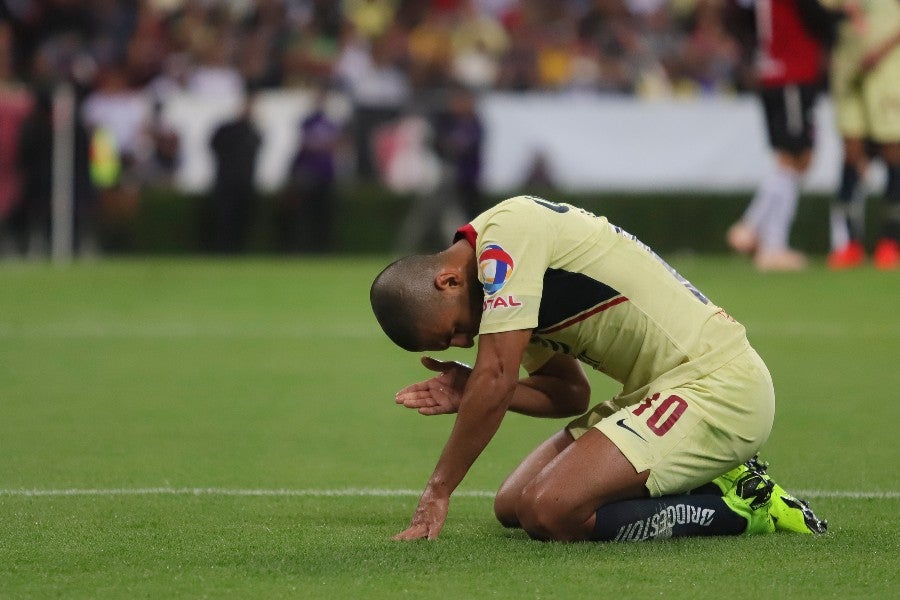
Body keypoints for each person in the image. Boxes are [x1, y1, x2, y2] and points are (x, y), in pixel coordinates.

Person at [370, 196, 827, 542]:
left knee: (550, 511)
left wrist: (438, 490)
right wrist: (475, 385)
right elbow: (568, 393)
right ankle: (711, 474)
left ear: (447, 281)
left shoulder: (507, 238)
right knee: (513, 506)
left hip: (715, 384)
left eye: (450, 332)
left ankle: (742, 507)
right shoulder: (504, 289)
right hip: (661, 393)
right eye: (452, 344)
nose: (464, 343)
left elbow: (498, 377)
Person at [726, 0, 833, 271]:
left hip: (775, 71)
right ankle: (753, 229)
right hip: (792, 72)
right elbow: (818, 18)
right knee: (797, 157)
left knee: (792, 158)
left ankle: (771, 244)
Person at [822, 0, 900, 270]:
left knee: (894, 153)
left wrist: (881, 50)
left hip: (889, 68)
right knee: (851, 153)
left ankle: (890, 242)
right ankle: (850, 244)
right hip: (849, 66)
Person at [203, 92, 261, 254]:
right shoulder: (226, 129)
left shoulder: (253, 131)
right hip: (227, 181)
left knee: (242, 219)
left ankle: (238, 249)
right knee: (224, 218)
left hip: (245, 182)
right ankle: (222, 248)